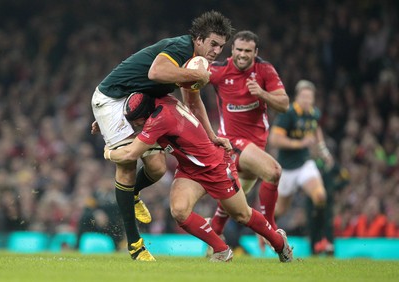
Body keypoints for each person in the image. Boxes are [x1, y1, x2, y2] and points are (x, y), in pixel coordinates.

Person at [91, 10, 234, 261]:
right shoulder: (181, 47)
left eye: (221, 46)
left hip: (131, 100)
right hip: (112, 99)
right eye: (213, 44)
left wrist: (212, 135)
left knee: (157, 168)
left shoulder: (194, 63)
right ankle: (135, 245)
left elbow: (193, 100)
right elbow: (155, 73)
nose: (216, 51)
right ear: (198, 39)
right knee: (126, 165)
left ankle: (133, 194)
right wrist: (106, 116)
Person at [103, 92, 294, 263]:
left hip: (215, 167)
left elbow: (130, 154)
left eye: (136, 121)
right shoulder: (159, 100)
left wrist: (108, 153)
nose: (134, 125)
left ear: (145, 115)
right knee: (179, 210)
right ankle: (222, 250)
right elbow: (138, 120)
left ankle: (279, 243)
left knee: (241, 214)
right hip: (189, 168)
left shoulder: (159, 120)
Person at [204, 30, 289, 245]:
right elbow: (191, 78)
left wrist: (262, 93)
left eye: (247, 51)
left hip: (255, 148)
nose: (242, 54)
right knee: (273, 172)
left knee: (229, 205)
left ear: (255, 52)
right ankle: (270, 228)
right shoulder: (220, 71)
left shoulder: (265, 70)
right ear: (232, 50)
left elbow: (284, 104)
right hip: (231, 144)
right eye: (239, 49)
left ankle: (214, 237)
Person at [268, 79, 334, 253]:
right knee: (279, 210)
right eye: (304, 97)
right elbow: (274, 140)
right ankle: (263, 232)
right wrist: (301, 143)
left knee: (320, 196)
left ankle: (321, 238)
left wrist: (323, 151)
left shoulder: (314, 113)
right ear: (297, 97)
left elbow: (316, 129)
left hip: (305, 164)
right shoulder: (288, 113)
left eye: (309, 97)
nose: (307, 101)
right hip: (287, 169)